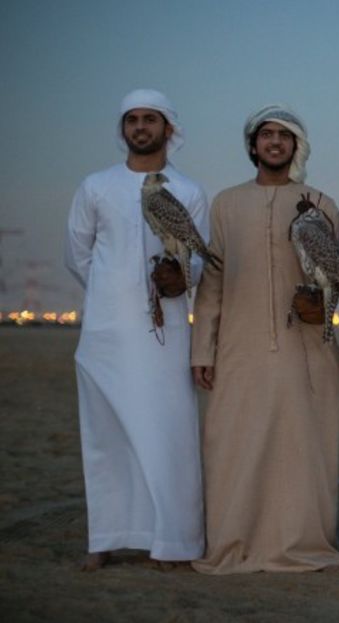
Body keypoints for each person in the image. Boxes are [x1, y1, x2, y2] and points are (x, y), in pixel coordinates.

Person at [189, 105, 339, 574]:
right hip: (239, 348)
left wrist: (325, 313)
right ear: (253, 145)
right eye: (266, 135)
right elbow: (212, 283)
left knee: (304, 448)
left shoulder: (321, 202)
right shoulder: (226, 204)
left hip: (307, 349)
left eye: (284, 135)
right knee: (234, 444)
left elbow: (337, 277)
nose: (274, 142)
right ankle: (234, 541)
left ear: (297, 146)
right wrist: (203, 348)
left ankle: (300, 542)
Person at [64, 89, 206, 571]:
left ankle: (173, 543)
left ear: (169, 130)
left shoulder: (187, 192)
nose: (141, 127)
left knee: (169, 435)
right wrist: (112, 291)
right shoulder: (95, 186)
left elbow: (201, 262)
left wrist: (178, 282)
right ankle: (105, 538)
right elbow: (77, 254)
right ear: (123, 130)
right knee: (105, 437)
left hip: (164, 340)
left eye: (151, 119)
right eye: (132, 120)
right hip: (105, 335)